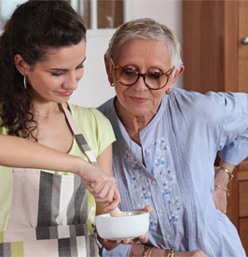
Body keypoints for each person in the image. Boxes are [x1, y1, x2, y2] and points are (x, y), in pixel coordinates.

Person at [98, 18, 248, 257]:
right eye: (128, 72)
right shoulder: (94, 131)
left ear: (174, 76)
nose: (140, 87)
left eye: (156, 75)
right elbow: (96, 238)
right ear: (109, 68)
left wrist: (223, 177)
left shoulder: (200, 112)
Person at [0, 1, 120, 256]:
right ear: (22, 64)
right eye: (57, 72)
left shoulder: (95, 124)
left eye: (79, 66)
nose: (72, 82)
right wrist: (80, 165)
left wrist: (118, 228)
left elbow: (104, 233)